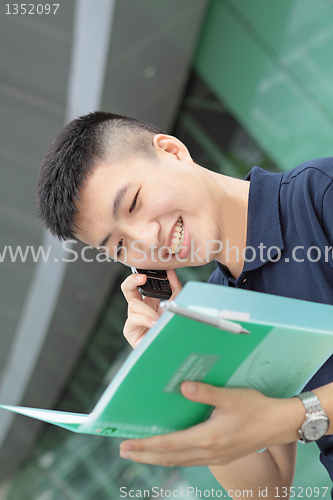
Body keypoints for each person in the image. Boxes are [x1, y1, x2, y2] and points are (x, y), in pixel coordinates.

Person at [37, 111, 333, 498]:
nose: (147, 238)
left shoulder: (320, 196)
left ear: (172, 151)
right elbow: (268, 490)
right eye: (121, 246)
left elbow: (281, 424)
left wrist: (292, 417)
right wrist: (177, 366)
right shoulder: (218, 313)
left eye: (134, 203)